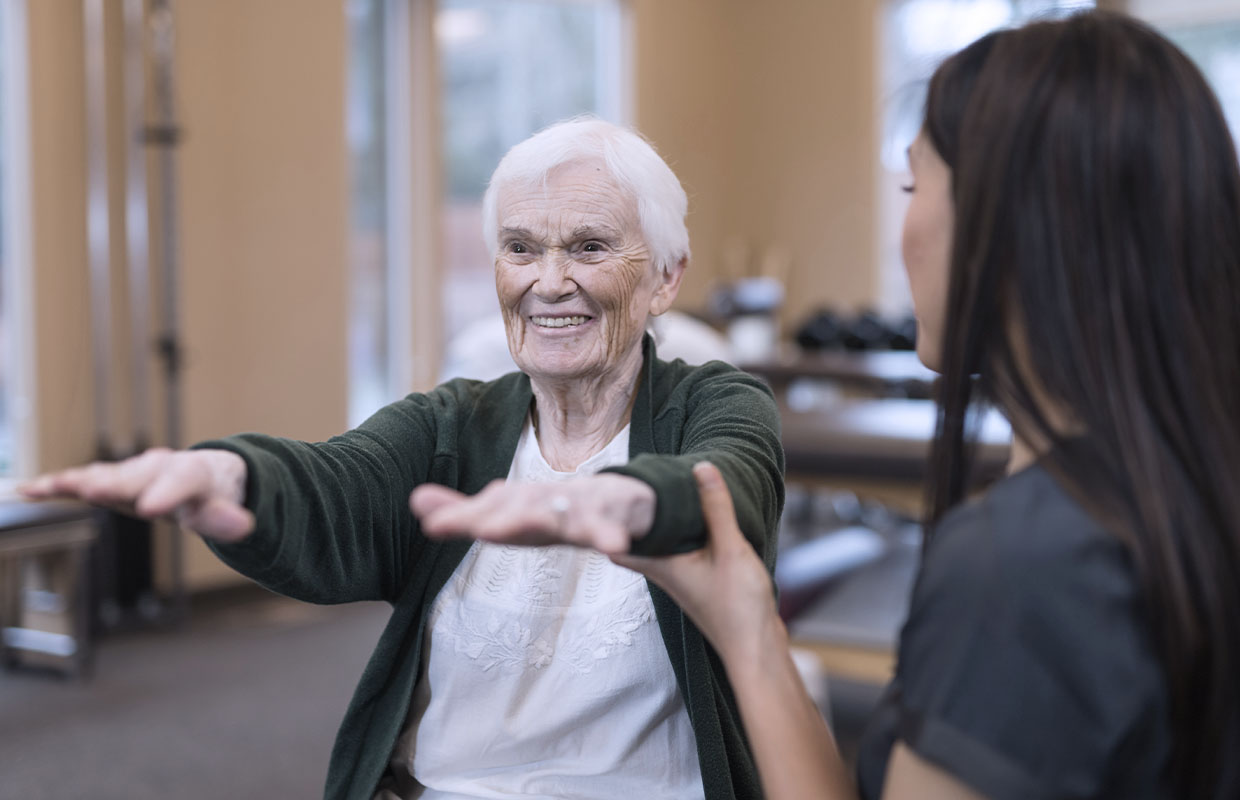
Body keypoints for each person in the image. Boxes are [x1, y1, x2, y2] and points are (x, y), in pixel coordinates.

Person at [446, 12, 1240, 800]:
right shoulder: (1183, 489)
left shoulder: (1021, 572)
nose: (550, 279)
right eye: (521, 249)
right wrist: (749, 628)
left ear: (1025, 231)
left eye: (912, 184)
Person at [19, 118, 785, 800]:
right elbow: (338, 482)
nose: (550, 283)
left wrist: (618, 504)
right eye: (521, 248)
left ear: (666, 277)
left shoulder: (716, 406)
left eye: (590, 247)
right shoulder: (453, 425)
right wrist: (232, 473)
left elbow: (722, 487)